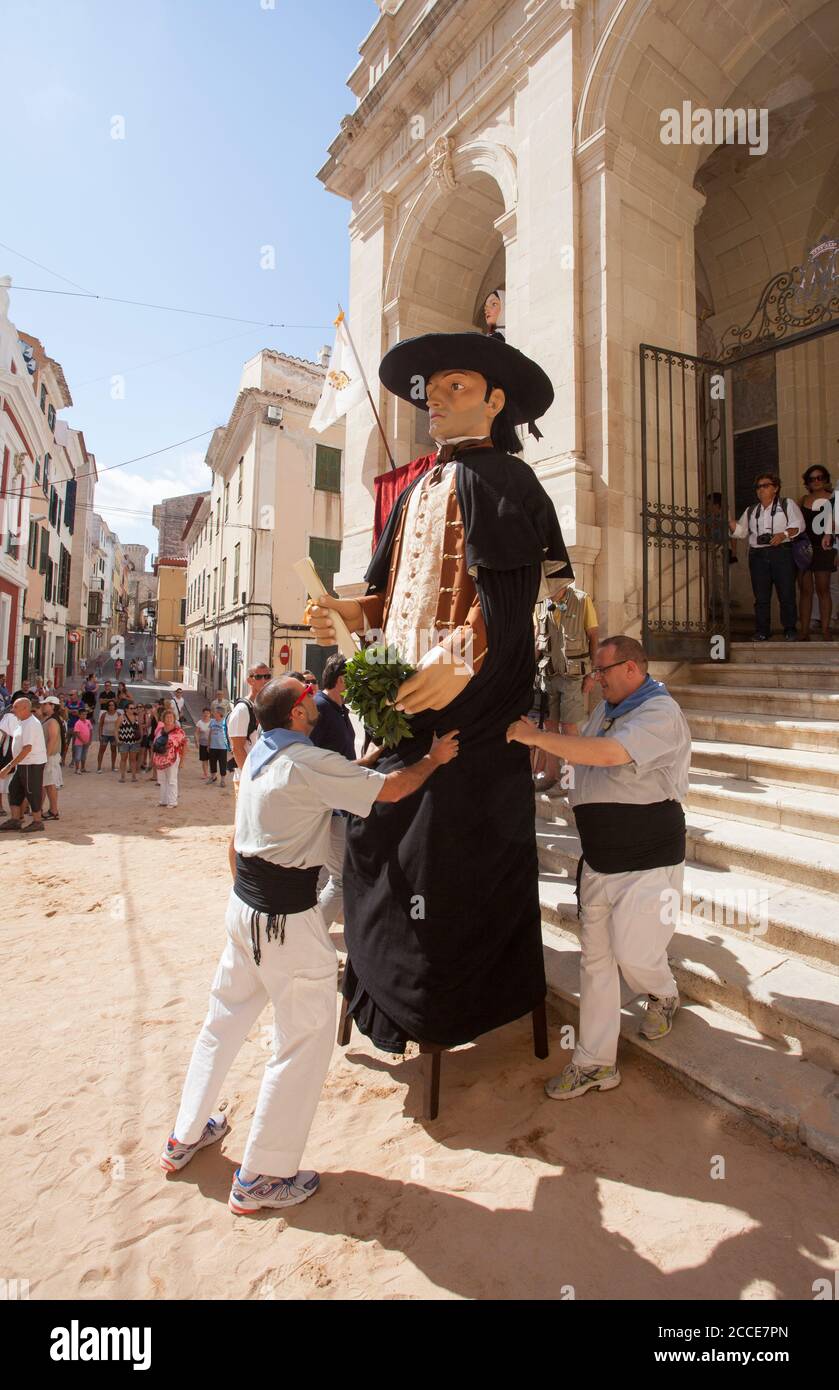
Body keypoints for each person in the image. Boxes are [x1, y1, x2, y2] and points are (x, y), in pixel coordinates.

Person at [307, 331, 572, 1058]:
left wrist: (462, 657)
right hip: (399, 712)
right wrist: (341, 616)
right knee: (379, 846)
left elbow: (512, 591)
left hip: (470, 716)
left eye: (454, 386)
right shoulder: (418, 484)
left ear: (494, 401)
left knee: (452, 863)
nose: (433, 398)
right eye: (430, 389)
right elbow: (386, 595)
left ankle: (454, 1002)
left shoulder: (511, 482)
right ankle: (383, 994)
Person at [159, 675, 459, 1213]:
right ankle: (263, 1176)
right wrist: (434, 758)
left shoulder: (257, 755)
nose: (313, 697)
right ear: (298, 713)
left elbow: (331, 782)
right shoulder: (307, 761)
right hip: (285, 922)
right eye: (306, 694)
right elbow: (391, 790)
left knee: (221, 1023)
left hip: (243, 912)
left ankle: (184, 1135)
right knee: (301, 1044)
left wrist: (374, 754)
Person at [507, 636, 691, 1099]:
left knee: (634, 955)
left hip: (647, 858)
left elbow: (610, 756)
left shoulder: (659, 712)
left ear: (633, 668)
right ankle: (594, 1063)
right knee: (596, 963)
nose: (596, 677)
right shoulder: (606, 711)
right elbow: (587, 754)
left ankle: (664, 991)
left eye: (604, 669)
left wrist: (535, 736)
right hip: (600, 858)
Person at [310, 654, 383, 927]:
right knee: (340, 878)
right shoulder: (320, 708)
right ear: (342, 681)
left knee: (333, 876)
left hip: (340, 804)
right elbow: (311, 758)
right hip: (329, 808)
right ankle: (313, 938)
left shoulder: (338, 708)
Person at [532, 577, 599, 791]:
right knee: (550, 726)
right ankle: (552, 775)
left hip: (573, 676)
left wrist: (593, 674)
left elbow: (594, 638)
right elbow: (537, 641)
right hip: (547, 675)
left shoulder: (582, 600)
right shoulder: (540, 604)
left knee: (570, 726)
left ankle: (571, 780)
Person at [729, 472, 805, 640]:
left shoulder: (786, 504)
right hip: (757, 555)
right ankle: (762, 631)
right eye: (758, 487)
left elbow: (799, 524)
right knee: (761, 596)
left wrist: (783, 534)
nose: (761, 490)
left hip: (782, 552)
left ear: (775, 488)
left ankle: (790, 629)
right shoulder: (751, 510)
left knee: (786, 593)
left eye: (765, 486)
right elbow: (741, 533)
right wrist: (731, 523)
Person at [225, 665, 270, 872]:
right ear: (249, 680)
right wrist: (248, 776)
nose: (265, 680)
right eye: (260, 677)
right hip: (246, 777)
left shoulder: (262, 706)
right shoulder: (242, 710)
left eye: (268, 676)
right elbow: (237, 747)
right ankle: (236, 878)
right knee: (241, 827)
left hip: (259, 775)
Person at [797, 465, 835, 641]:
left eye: (820, 477)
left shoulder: (834, 499)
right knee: (805, 590)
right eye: (812, 479)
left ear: (825, 479)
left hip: (824, 549)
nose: (816, 481)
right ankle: (804, 631)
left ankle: (825, 630)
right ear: (807, 482)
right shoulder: (802, 500)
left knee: (823, 588)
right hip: (803, 548)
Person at [0, 696, 48, 833]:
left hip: (31, 763)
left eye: (16, 707)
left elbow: (27, 748)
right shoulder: (22, 721)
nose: (13, 710)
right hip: (23, 763)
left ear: (26, 708)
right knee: (15, 789)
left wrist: (9, 766)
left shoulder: (32, 724)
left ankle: (37, 821)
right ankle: (16, 820)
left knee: (32, 791)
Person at [152, 709, 187, 807]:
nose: (169, 719)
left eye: (171, 717)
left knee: (172, 780)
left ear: (174, 719)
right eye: (167, 717)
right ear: (163, 719)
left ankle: (172, 801)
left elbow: (184, 746)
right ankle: (163, 800)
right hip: (160, 759)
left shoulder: (179, 731)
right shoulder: (160, 730)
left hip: (173, 758)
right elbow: (155, 744)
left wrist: (182, 761)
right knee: (162, 780)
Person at [39, 696, 64, 820]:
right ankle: (44, 809)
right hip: (49, 756)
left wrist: (46, 756)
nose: (43, 706)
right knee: (47, 783)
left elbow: (52, 739)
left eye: (46, 704)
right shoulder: (50, 719)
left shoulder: (53, 721)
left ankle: (53, 810)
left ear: (52, 706)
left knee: (50, 784)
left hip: (50, 756)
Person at [117, 703, 142, 783]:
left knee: (133, 759)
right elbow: (116, 729)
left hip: (134, 741)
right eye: (131, 708)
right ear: (126, 709)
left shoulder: (137, 717)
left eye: (134, 708)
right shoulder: (121, 718)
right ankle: (122, 776)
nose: (133, 709)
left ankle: (133, 776)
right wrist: (117, 739)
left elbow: (140, 728)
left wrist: (140, 737)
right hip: (124, 741)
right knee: (123, 759)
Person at [97, 699, 120, 771]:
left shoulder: (118, 714)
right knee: (101, 750)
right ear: (107, 706)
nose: (111, 706)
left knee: (113, 750)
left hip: (114, 735)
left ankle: (113, 766)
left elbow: (121, 725)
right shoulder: (104, 714)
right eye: (109, 705)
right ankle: (99, 767)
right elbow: (100, 725)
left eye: (112, 705)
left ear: (115, 706)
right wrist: (100, 735)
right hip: (105, 735)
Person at [207, 708, 228, 787]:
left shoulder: (225, 722)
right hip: (213, 746)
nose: (214, 714)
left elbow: (228, 734)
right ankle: (213, 777)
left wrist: (229, 746)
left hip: (222, 747)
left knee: (222, 764)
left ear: (219, 713)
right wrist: (208, 744)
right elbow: (210, 733)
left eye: (215, 713)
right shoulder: (212, 721)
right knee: (212, 763)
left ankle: (223, 780)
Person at [195, 706, 212, 781]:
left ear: (210, 714)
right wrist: (197, 741)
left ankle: (212, 774)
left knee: (212, 760)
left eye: (207, 713)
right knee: (204, 760)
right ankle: (205, 774)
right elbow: (196, 733)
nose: (206, 714)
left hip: (212, 744)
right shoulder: (200, 722)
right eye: (205, 713)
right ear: (202, 714)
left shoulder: (212, 722)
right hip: (203, 744)